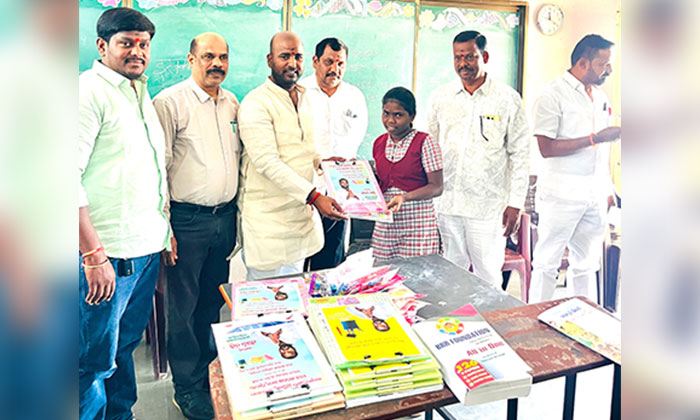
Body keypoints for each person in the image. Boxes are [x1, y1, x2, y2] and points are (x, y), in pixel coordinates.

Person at [78, 8, 169, 420]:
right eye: (126, 43)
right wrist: (93, 255)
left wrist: (165, 231)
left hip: (144, 251)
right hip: (107, 256)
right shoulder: (88, 92)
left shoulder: (138, 92)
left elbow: (151, 170)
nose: (137, 51)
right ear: (102, 46)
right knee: (90, 363)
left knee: (123, 349)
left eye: (143, 44)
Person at [152, 32, 239, 420]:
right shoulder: (170, 103)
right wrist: (165, 227)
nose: (216, 64)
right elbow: (158, 168)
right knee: (183, 308)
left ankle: (209, 375)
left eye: (222, 57)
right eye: (207, 56)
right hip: (186, 222)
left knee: (211, 302)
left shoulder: (232, 103)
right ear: (191, 59)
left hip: (224, 219)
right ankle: (187, 387)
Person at [238, 31, 346, 280]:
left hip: (299, 220)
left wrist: (322, 163)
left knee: (295, 294)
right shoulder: (256, 103)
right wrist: (315, 196)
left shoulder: (304, 97)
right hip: (269, 225)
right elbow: (267, 162)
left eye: (298, 57)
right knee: (266, 299)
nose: (292, 63)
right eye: (284, 56)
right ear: (270, 60)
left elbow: (302, 148)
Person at [426, 30, 529, 286]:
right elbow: (430, 147)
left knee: (488, 274)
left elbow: (520, 153)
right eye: (457, 57)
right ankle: (455, 314)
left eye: (469, 56)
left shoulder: (507, 99)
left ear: (484, 57)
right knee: (451, 271)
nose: (463, 63)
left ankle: (489, 314)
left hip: (487, 206)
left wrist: (515, 203)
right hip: (448, 203)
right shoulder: (441, 98)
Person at [529, 34, 621, 303]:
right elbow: (546, 148)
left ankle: (581, 319)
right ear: (583, 63)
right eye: (604, 64)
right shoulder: (552, 95)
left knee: (586, 264)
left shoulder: (600, 96)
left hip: (593, 195)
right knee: (547, 263)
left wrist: (607, 190)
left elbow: (600, 153)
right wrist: (595, 138)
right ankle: (534, 321)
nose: (609, 70)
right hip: (561, 196)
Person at [299, 37, 368, 270]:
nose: (334, 69)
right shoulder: (300, 93)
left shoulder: (355, 96)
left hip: (341, 191)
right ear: (315, 61)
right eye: (329, 62)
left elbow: (358, 137)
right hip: (307, 189)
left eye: (340, 64)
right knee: (300, 260)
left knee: (331, 263)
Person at [371, 87, 443, 262]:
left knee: (416, 273)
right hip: (386, 224)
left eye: (398, 115)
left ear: (412, 116)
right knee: (384, 271)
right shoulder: (379, 143)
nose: (390, 120)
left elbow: (437, 187)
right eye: (386, 113)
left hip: (417, 224)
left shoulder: (425, 142)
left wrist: (404, 197)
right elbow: (380, 181)